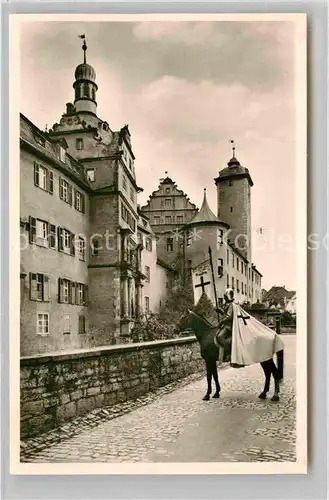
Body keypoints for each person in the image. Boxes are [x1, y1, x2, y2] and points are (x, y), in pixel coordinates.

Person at [215, 288, 235, 361]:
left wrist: (221, 321)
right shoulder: (228, 304)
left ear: (228, 296)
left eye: (225, 296)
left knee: (220, 337)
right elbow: (225, 314)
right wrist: (220, 311)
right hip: (225, 325)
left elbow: (229, 316)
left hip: (229, 326)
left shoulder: (231, 305)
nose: (224, 298)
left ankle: (228, 354)